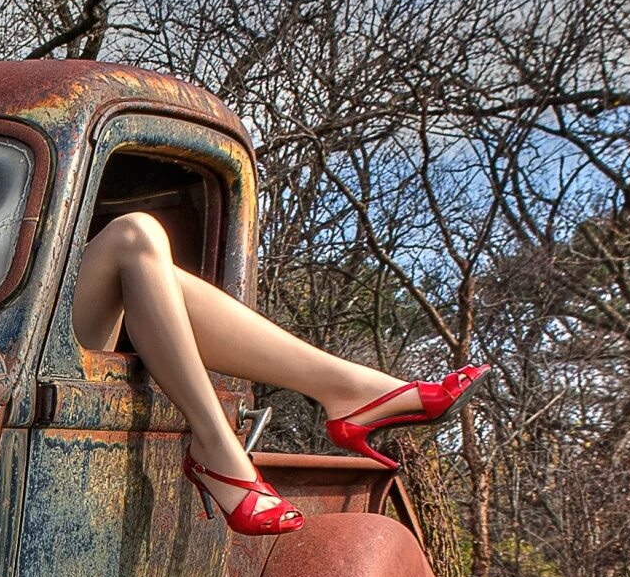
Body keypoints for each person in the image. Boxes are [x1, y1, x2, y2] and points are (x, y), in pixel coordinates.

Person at [73, 211, 485, 536]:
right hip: (12, 336)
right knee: (134, 234)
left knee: (147, 255)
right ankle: (228, 441)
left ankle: (346, 390)